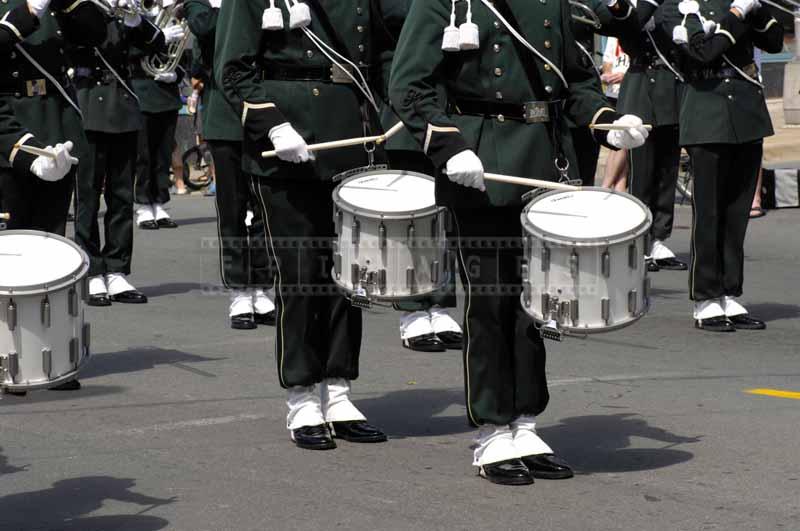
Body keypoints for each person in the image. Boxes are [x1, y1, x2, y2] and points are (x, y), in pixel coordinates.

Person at [390, 0, 648, 485]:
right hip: (477, 164)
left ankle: (525, 422)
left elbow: (576, 83)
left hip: (541, 162)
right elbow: (409, 85)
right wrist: (447, 145)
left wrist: (608, 122)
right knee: (490, 303)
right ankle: (492, 430)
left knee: (534, 305)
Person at [216, 0, 391, 450]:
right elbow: (233, 69)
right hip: (287, 138)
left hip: (351, 134)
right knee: (300, 275)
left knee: (348, 273)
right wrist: (271, 124)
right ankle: (302, 395)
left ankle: (338, 389)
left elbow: (385, 49)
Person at [662, 0, 783, 330]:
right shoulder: (679, 7)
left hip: (746, 114)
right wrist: (736, 15)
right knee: (710, 212)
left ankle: (729, 291)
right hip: (707, 115)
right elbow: (702, 53)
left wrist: (757, 10)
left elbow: (774, 43)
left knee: (737, 212)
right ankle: (705, 297)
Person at [72, 1, 183, 307]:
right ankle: (92, 269)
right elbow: (80, 36)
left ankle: (117, 269)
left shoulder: (124, 14)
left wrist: (135, 20)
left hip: (124, 106)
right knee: (88, 197)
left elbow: (154, 45)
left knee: (121, 196)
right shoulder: (79, 8)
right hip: (89, 104)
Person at [374, 0, 464, 353]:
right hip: (408, 105)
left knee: (446, 219)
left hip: (455, 109)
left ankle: (439, 303)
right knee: (410, 220)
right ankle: (411, 308)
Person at [184, 0, 276, 330]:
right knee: (232, 208)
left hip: (266, 109)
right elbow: (204, 27)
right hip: (225, 115)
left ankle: (262, 285)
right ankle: (239, 290)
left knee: (265, 207)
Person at [0, 0, 105, 236]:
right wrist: (26, 15)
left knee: (50, 239)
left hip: (56, 123)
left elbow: (95, 34)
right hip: (9, 129)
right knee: (11, 243)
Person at [617, 0, 688, 273]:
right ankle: (639, 239)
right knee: (642, 173)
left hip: (671, 89)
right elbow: (628, 36)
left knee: (667, 170)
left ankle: (658, 237)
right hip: (642, 89)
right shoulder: (634, 5)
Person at [568, 0, 636, 186]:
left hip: (582, 105)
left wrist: (614, 2)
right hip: (540, 111)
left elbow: (625, 25)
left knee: (581, 186)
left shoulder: (581, 4)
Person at [132, 9, 183, 231]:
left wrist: (177, 74)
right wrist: (159, 38)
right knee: (143, 154)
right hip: (142, 92)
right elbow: (128, 51)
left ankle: (160, 201)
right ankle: (143, 205)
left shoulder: (168, 15)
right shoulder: (132, 17)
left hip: (167, 94)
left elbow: (179, 55)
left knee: (163, 154)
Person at [600, 36, 631, 192]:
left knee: (623, 143)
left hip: (630, 92)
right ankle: (617, 188)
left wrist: (625, 77)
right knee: (617, 143)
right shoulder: (614, 36)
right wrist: (607, 74)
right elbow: (607, 60)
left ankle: (607, 187)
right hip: (613, 94)